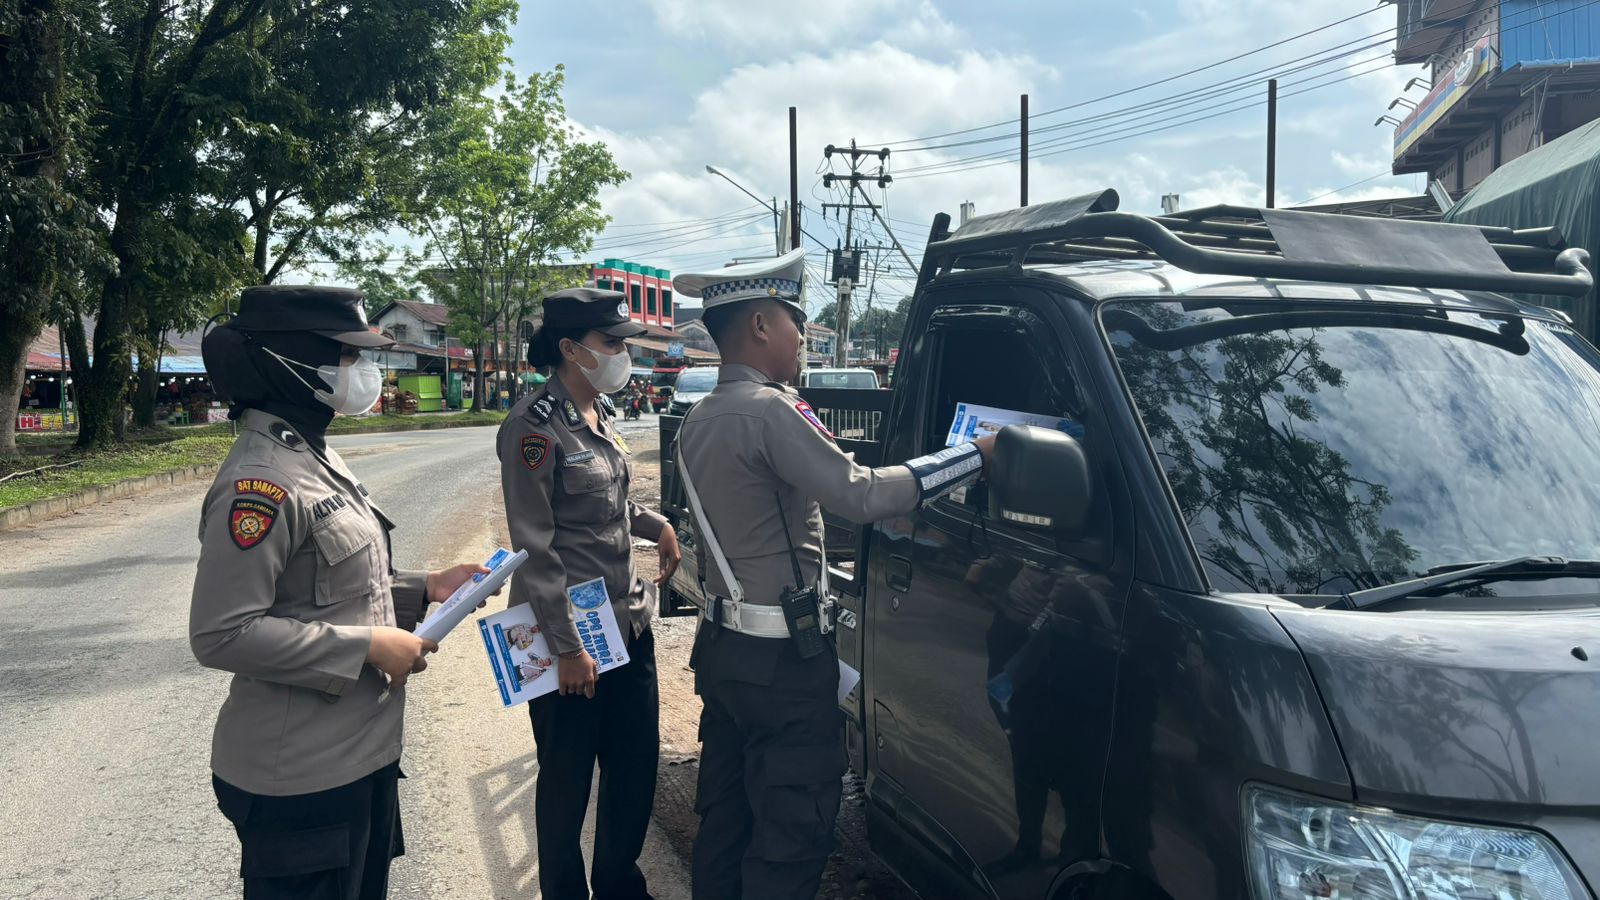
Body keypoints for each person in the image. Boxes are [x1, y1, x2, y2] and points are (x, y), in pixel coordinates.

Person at [672, 248, 997, 900]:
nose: (802, 339)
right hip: (780, 664)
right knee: (791, 832)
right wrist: (974, 455)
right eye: (796, 322)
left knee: (727, 822)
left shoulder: (701, 416)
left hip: (726, 648)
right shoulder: (770, 411)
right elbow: (862, 493)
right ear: (762, 324)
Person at [189, 285, 493, 900]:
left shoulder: (311, 453)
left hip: (358, 757)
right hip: (301, 777)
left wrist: (425, 587)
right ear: (292, 363)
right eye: (350, 357)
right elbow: (222, 632)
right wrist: (368, 647)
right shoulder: (261, 479)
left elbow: (329, 588)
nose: (367, 372)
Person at [497, 287, 683, 900]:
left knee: (633, 772)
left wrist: (656, 525)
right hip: (569, 641)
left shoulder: (601, 417)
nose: (623, 354)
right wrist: (568, 647)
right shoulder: (532, 427)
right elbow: (537, 546)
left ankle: (619, 886)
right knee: (565, 784)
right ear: (572, 349)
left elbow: (607, 506)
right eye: (612, 343)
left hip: (627, 625)